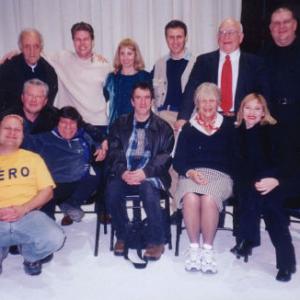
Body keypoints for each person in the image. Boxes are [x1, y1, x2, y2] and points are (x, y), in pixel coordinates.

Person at [230, 93, 296, 282]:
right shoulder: (236, 133)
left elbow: (288, 163)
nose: (252, 112)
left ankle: (248, 239)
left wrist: (275, 180)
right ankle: (286, 264)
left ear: (263, 112)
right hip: (249, 185)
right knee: (266, 203)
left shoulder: (274, 131)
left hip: (276, 181)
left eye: (257, 108)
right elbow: (236, 166)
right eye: (248, 107)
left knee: (272, 209)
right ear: (241, 110)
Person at [105, 82, 174, 261]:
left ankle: (157, 241)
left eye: (146, 98)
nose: (143, 102)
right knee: (112, 191)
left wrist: (145, 173)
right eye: (138, 98)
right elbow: (113, 152)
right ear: (132, 101)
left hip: (151, 175)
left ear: (152, 100)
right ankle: (122, 235)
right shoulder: (120, 124)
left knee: (148, 190)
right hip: (125, 172)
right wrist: (123, 172)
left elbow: (164, 158)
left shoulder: (163, 127)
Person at [173, 82, 234, 273]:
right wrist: (191, 172)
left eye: (212, 101)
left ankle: (207, 250)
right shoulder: (189, 129)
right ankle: (193, 249)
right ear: (197, 104)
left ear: (218, 103)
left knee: (208, 199)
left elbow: (237, 158)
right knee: (190, 197)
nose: (207, 105)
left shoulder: (229, 126)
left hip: (220, 176)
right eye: (203, 101)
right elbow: (178, 161)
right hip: (192, 174)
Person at [0, 114, 65, 276]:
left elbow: (47, 192)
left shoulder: (33, 159)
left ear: (23, 135)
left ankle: (30, 256)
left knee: (55, 237)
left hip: (27, 216)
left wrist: (24, 209)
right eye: (7, 128)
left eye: (17, 130)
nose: (12, 133)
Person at [176, 18, 269, 130]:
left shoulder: (255, 63)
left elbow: (264, 95)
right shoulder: (203, 61)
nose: (226, 37)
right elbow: (191, 89)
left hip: (244, 123)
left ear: (241, 37)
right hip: (211, 121)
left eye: (231, 32)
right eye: (222, 33)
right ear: (217, 38)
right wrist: (182, 118)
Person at [26, 106, 107, 225]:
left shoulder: (83, 136)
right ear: (57, 122)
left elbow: (95, 144)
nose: (68, 127)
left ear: (78, 125)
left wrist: (101, 146)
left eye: (72, 123)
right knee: (45, 218)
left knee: (99, 172)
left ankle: (70, 204)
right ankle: (49, 223)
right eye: (63, 122)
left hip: (79, 185)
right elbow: (23, 143)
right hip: (53, 186)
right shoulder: (45, 138)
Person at [152, 20, 196, 212]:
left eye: (179, 36)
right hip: (163, 116)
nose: (175, 41)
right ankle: (174, 204)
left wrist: (185, 119)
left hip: (187, 117)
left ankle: (179, 205)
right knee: (164, 160)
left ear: (185, 37)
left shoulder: (196, 63)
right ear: (166, 39)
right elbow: (152, 93)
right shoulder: (160, 63)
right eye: (171, 37)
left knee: (180, 159)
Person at [47, 22, 111, 142]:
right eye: (78, 39)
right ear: (73, 41)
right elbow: (35, 53)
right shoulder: (62, 58)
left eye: (86, 39)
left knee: (98, 160)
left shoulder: (104, 65)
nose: (82, 43)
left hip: (97, 123)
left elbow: (110, 92)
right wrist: (14, 52)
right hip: (70, 125)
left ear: (93, 41)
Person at [260, 6, 300, 177]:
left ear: (295, 25)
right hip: (272, 122)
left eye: (286, 22)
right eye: (276, 23)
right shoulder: (262, 55)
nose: (281, 27)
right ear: (270, 29)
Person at [0, 29, 58, 111]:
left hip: (41, 118)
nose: (32, 52)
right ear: (21, 48)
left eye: (36, 46)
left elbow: (49, 102)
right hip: (13, 118)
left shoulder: (49, 71)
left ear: (41, 48)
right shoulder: (7, 69)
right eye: (27, 46)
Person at [104, 38, 151, 126]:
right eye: (122, 53)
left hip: (139, 126)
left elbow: (151, 103)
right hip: (116, 127)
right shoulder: (112, 78)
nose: (125, 58)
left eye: (129, 54)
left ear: (135, 55)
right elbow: (101, 101)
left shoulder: (145, 77)